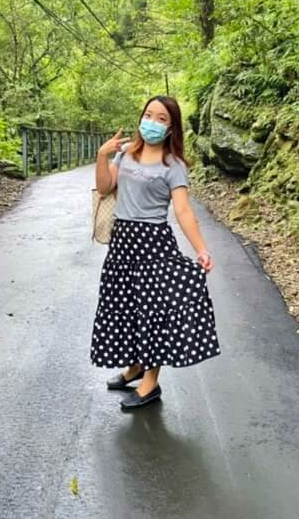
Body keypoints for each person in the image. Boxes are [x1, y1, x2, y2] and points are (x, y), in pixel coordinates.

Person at [90, 95, 222, 411]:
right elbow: (105, 187)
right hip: (122, 242)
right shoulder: (127, 154)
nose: (152, 121)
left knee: (153, 312)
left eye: (161, 118)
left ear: (171, 127)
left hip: (153, 244)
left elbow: (183, 210)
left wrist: (201, 249)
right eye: (149, 114)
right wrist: (101, 155)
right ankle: (134, 367)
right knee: (123, 305)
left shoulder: (173, 166)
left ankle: (150, 383)